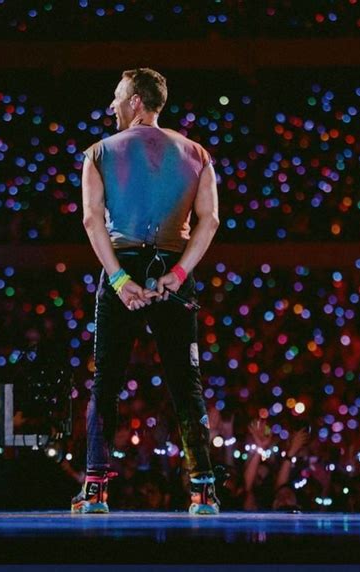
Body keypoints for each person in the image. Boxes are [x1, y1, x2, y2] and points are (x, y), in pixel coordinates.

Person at [71, 68, 220, 515]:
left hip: (123, 264)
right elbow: (208, 220)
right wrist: (177, 275)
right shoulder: (196, 154)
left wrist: (118, 279)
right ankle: (203, 490)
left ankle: (95, 489)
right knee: (185, 384)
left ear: (136, 101)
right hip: (174, 266)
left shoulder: (99, 152)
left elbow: (92, 221)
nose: (112, 105)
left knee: (107, 382)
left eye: (117, 97)